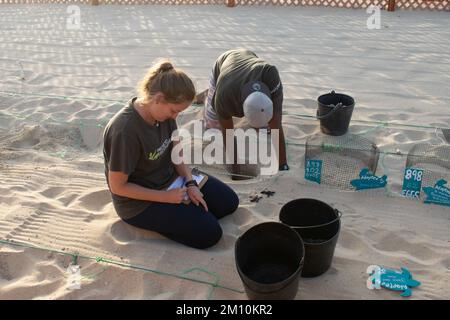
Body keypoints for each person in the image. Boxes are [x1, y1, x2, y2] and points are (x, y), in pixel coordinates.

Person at [103, 60, 239, 249]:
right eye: (174, 111)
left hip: (172, 180)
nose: (175, 117)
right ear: (158, 98)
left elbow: (177, 154)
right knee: (210, 234)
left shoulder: (162, 114)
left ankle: (187, 213)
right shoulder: (125, 130)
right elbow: (118, 187)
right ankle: (178, 217)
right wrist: (166, 198)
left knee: (228, 203)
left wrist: (190, 183)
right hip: (138, 203)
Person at [197, 49, 289, 173]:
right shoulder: (225, 98)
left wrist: (283, 166)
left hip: (248, 58)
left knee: (269, 128)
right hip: (224, 65)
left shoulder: (270, 74)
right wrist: (236, 172)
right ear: (243, 111)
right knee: (212, 126)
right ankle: (208, 94)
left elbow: (277, 123)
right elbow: (228, 135)